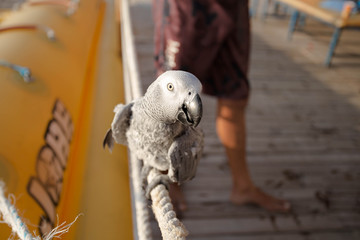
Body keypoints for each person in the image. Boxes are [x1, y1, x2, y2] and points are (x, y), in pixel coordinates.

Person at [152, 0, 291, 213]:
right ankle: (169, 177)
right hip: (186, 6)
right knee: (173, 94)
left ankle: (243, 187)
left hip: (232, 7)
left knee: (235, 96)